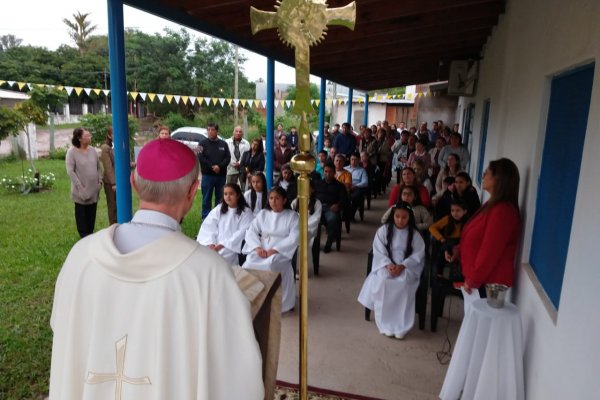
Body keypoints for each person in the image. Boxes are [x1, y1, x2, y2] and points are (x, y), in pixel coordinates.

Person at [50, 138, 264, 400]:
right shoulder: (209, 273)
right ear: (192, 191)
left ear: (133, 183)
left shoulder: (80, 257)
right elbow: (238, 375)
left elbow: (64, 335)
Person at [446, 158, 521, 294]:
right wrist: (458, 250)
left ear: (497, 179)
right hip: (480, 279)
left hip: (488, 282)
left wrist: (473, 280)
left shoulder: (503, 211)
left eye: (486, 173)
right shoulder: (493, 204)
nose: (483, 176)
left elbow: (489, 251)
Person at [358, 202, 426, 339]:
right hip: (386, 266)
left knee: (404, 284)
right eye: (397, 216)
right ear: (393, 216)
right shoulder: (383, 231)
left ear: (410, 218)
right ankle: (385, 323)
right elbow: (378, 250)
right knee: (383, 281)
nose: (400, 220)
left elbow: (418, 254)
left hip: (406, 268)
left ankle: (401, 325)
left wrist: (403, 265)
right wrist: (388, 264)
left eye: (404, 217)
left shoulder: (415, 235)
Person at [242, 187, 299, 312]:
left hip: (281, 251)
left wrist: (276, 249)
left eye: (277, 198)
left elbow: (294, 237)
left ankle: (275, 302)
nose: (273, 201)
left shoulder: (293, 216)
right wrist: (257, 248)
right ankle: (253, 299)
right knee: (249, 262)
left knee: (271, 263)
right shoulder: (263, 214)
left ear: (284, 200)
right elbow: (251, 231)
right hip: (262, 248)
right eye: (271, 198)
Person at [197, 183, 254, 265]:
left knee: (221, 259)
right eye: (225, 194)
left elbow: (242, 232)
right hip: (215, 243)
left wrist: (222, 245)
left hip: (232, 247)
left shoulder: (245, 212)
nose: (228, 196)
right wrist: (211, 243)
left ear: (238, 195)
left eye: (231, 194)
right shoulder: (219, 208)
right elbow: (209, 226)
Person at [66, 127, 102, 238]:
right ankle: (83, 239)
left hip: (94, 191)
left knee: (91, 219)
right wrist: (80, 188)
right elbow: (70, 171)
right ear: (79, 138)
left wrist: (100, 182)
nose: (90, 137)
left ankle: (89, 237)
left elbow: (99, 168)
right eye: (87, 136)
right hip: (80, 193)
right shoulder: (72, 152)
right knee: (82, 220)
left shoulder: (92, 150)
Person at [197, 123, 230, 219]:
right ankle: (205, 217)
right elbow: (200, 157)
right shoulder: (201, 143)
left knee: (220, 198)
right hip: (207, 176)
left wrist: (219, 166)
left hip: (221, 176)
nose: (211, 132)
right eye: (209, 130)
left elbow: (227, 158)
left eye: (213, 130)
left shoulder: (224, 144)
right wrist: (212, 167)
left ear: (217, 131)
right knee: (206, 198)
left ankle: (219, 216)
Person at [430, 200, 469, 276]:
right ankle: (439, 275)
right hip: (448, 242)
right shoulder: (448, 219)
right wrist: (440, 238)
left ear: (464, 211)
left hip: (462, 243)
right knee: (442, 253)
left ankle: (463, 275)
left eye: (458, 210)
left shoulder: (468, 221)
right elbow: (432, 228)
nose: (455, 213)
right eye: (452, 210)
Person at [315, 162, 347, 253]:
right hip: (318, 208)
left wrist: (338, 205)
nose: (327, 174)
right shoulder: (318, 183)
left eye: (330, 172)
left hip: (331, 208)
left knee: (333, 219)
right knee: (312, 220)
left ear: (334, 173)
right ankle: (315, 244)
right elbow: (312, 196)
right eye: (325, 171)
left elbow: (345, 200)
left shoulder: (340, 186)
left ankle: (328, 244)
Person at [99, 126, 117, 225]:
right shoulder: (106, 148)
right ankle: (113, 227)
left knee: (121, 206)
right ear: (109, 136)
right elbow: (108, 167)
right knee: (113, 207)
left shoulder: (119, 145)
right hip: (111, 183)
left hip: (121, 180)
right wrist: (113, 183)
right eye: (114, 134)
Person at [345, 152, 369, 221]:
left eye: (355, 160)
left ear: (359, 160)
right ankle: (346, 215)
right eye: (352, 159)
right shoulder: (345, 169)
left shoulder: (362, 170)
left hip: (356, 188)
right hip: (346, 187)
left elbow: (365, 182)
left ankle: (350, 215)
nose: (353, 161)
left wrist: (355, 186)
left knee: (357, 197)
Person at [226, 125, 250, 191]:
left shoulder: (246, 143)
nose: (238, 133)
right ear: (233, 132)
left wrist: (239, 163)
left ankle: (244, 200)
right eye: (236, 131)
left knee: (244, 188)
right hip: (231, 168)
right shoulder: (227, 142)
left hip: (242, 168)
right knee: (231, 188)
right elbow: (226, 154)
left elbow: (247, 155)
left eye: (240, 131)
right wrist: (233, 163)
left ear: (242, 133)